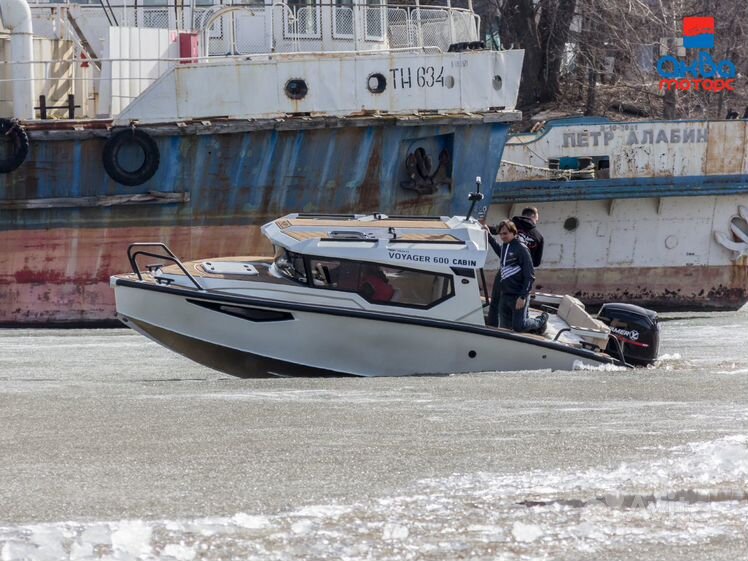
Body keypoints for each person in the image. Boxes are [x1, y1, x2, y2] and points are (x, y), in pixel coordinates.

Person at [486, 220, 548, 333]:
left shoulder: (521, 248)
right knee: (504, 327)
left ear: (514, 233)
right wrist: (489, 237)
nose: (502, 236)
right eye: (500, 234)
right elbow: (500, 252)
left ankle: (541, 321)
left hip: (518, 295)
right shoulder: (506, 246)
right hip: (505, 294)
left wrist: (523, 297)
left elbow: (530, 275)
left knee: (519, 326)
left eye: (505, 233)